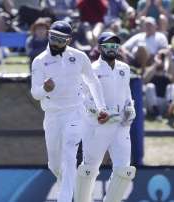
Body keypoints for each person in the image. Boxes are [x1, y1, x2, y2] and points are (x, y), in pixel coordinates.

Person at [30, 20, 109, 202]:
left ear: (68, 40)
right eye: (53, 37)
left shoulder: (79, 57)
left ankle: (64, 199)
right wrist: (45, 89)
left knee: (69, 152)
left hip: (75, 112)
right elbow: (35, 93)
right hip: (52, 115)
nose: (55, 42)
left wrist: (101, 107)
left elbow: (93, 82)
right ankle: (65, 180)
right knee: (55, 164)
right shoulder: (40, 61)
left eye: (60, 39)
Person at [74, 32, 136, 202]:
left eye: (115, 46)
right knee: (89, 169)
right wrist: (97, 113)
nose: (112, 49)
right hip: (98, 125)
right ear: (100, 48)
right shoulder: (91, 69)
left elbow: (127, 93)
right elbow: (82, 97)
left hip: (121, 125)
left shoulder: (124, 68)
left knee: (124, 170)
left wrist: (131, 108)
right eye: (107, 46)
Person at [143, 49, 174, 121]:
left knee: (172, 86)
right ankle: (157, 113)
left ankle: (169, 108)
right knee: (150, 86)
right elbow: (145, 80)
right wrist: (156, 64)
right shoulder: (151, 69)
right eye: (160, 56)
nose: (162, 58)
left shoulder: (168, 71)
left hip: (165, 102)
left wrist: (169, 60)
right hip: (151, 103)